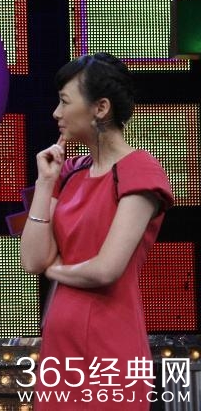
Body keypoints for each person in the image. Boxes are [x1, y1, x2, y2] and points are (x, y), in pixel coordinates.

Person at [20, 53, 173, 410]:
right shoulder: (70, 171)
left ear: (100, 108)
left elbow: (106, 269)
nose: (56, 113)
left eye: (65, 101)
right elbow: (32, 260)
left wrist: (54, 270)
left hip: (111, 344)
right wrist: (45, 184)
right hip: (60, 346)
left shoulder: (140, 170)